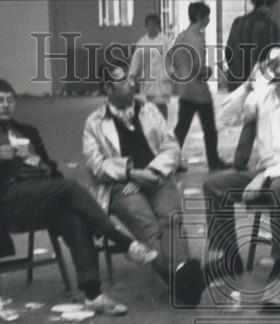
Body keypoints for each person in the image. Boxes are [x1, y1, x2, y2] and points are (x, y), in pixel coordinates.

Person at [0, 77, 151, 315]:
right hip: (4, 201)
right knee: (67, 188)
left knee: (73, 216)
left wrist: (38, 162)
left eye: (10, 100)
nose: (5, 106)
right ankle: (122, 240)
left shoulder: (27, 132)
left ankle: (93, 294)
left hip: (39, 194)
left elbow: (52, 171)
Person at [82, 64, 204, 307]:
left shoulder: (148, 110)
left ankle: (180, 279)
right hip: (122, 185)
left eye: (131, 79)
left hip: (156, 176)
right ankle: (182, 280)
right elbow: (95, 164)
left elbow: (171, 146)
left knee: (171, 219)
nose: (131, 84)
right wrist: (130, 173)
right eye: (123, 81)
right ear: (108, 88)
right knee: (147, 226)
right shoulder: (94, 122)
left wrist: (152, 171)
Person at [203, 43, 280, 283]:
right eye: (277, 54)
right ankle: (230, 257)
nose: (278, 58)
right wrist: (248, 85)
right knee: (214, 185)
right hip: (266, 174)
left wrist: (265, 175)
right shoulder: (262, 96)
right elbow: (225, 118)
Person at [170, 2, 228, 171]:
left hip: (184, 90)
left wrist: (182, 74)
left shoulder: (181, 36)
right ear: (199, 17)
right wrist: (207, 71)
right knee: (210, 129)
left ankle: (171, 162)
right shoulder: (197, 38)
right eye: (207, 16)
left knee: (180, 129)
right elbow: (197, 67)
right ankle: (213, 161)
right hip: (199, 92)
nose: (209, 19)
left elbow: (173, 58)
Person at [224, 0, 280, 92]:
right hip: (259, 84)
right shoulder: (270, 26)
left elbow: (228, 52)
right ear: (265, 5)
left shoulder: (237, 22)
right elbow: (273, 57)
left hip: (236, 82)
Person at [130, 13, 173, 119]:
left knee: (161, 105)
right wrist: (132, 75)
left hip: (162, 78)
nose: (151, 27)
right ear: (146, 26)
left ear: (158, 26)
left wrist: (172, 73)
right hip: (148, 80)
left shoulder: (165, 41)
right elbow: (136, 60)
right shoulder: (142, 42)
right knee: (150, 106)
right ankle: (152, 130)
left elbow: (172, 57)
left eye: (154, 25)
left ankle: (163, 128)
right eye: (149, 25)